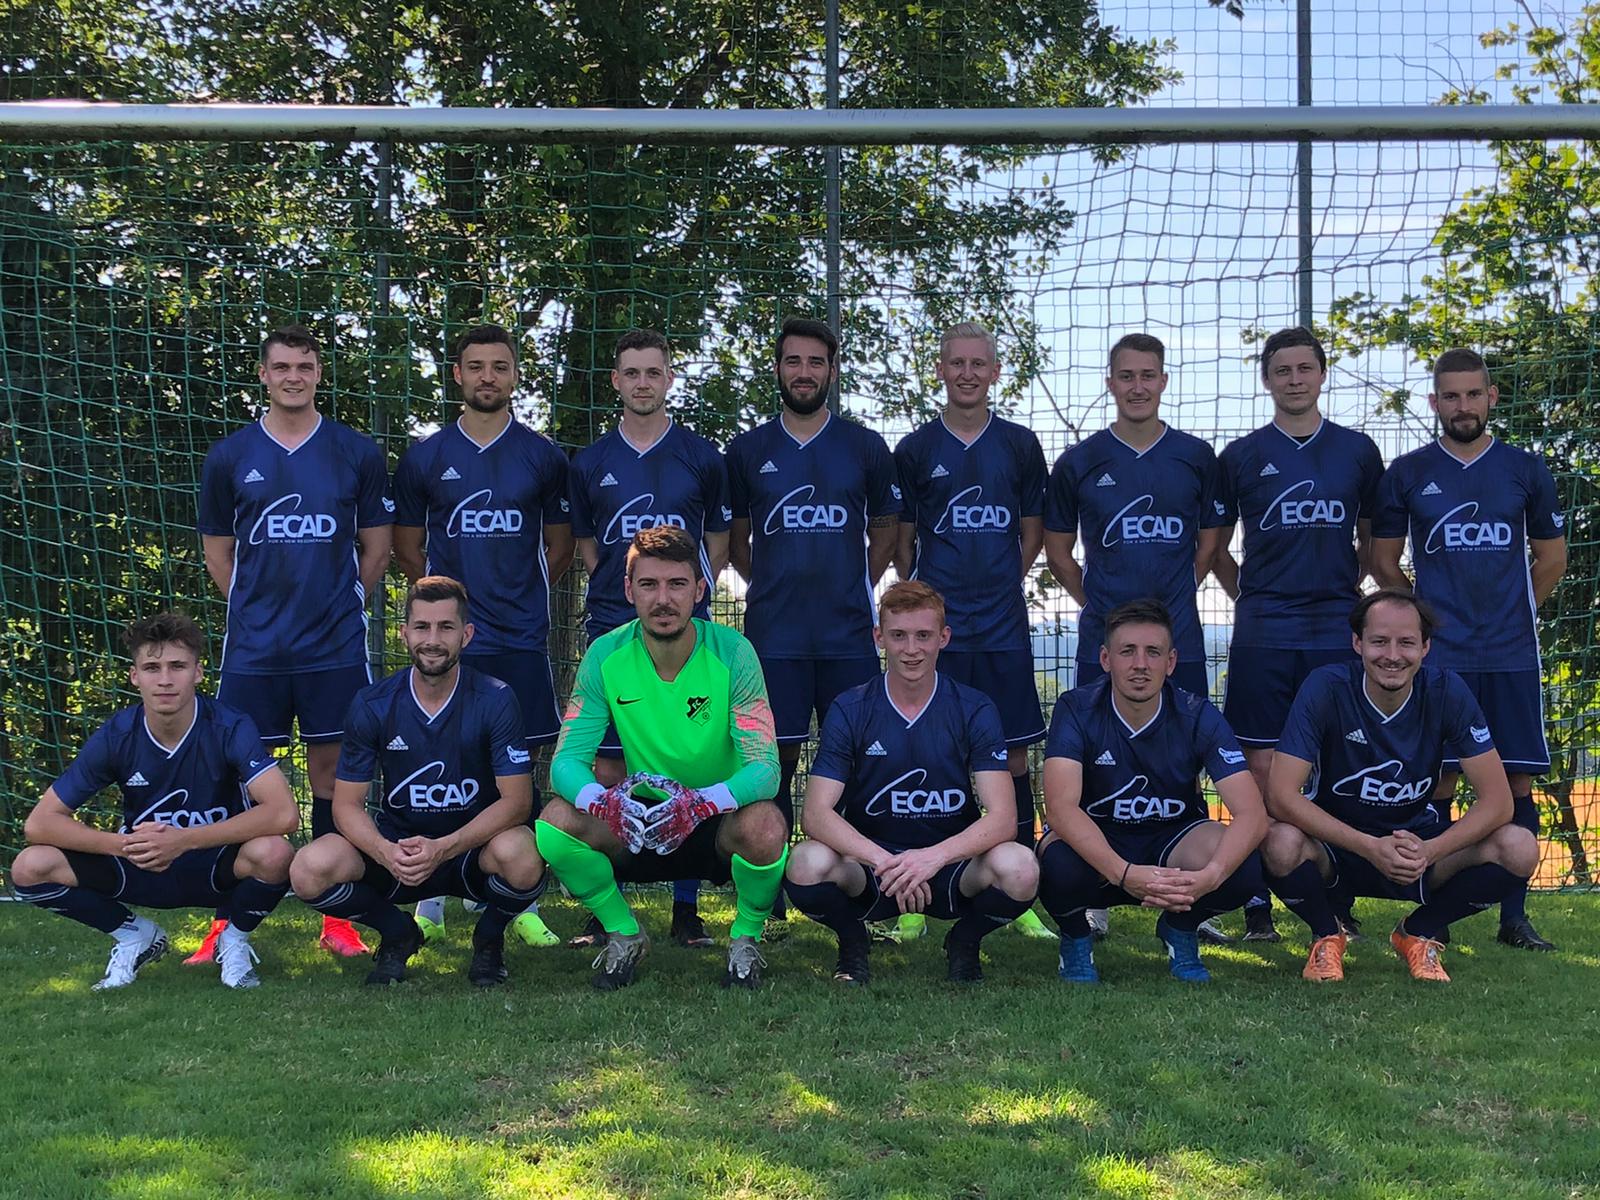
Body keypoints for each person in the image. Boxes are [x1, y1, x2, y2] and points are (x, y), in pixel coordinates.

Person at [192, 324, 394, 963]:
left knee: (337, 775)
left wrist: (340, 602)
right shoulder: (230, 456)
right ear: (263, 374)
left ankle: (338, 916)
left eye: (304, 366)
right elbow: (218, 553)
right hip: (254, 653)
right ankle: (226, 923)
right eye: (281, 367)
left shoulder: (355, 452)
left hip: (335, 649)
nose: (293, 377)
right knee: (238, 781)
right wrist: (255, 609)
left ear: (318, 373)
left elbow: (377, 547)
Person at [1370, 348, 1567, 950]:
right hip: (1443, 660)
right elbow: (1382, 561)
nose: (1462, 406)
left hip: (1510, 655)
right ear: (1435, 402)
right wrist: (1424, 625)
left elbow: (1551, 559)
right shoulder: (1407, 472)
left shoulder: (1525, 469)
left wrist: (1515, 613)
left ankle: (1515, 918)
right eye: (1450, 396)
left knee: (1516, 782)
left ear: (1491, 398)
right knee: (1441, 782)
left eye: (1473, 394)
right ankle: (1436, 915)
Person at [537, 525, 787, 991]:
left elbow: (765, 769)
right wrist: (603, 802)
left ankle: (745, 939)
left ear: (700, 590)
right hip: (639, 819)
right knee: (554, 823)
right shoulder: (605, 654)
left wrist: (703, 802)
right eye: (649, 584)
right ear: (628, 589)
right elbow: (565, 763)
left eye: (677, 584)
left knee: (767, 825)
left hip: (713, 819)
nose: (663, 599)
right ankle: (624, 933)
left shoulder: (735, 653)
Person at [392, 323, 573, 950]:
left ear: (516, 374)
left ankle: (518, 896)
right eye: (476, 366)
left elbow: (559, 548)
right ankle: (432, 895)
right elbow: (407, 549)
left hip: (520, 639)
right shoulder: (425, 457)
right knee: (439, 759)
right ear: (458, 375)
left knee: (521, 769)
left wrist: (520, 596)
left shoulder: (544, 457)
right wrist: (447, 615)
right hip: (452, 643)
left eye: (500, 366)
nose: (488, 377)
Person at [1043, 333, 1230, 939]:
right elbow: (1058, 552)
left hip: (1180, 641)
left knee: (1183, 761)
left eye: (1148, 375)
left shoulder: (1195, 457)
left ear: (1164, 381)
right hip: (1104, 644)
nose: (1138, 386)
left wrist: (1170, 606)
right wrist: (1099, 608)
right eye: (1126, 376)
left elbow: (1210, 544)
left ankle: (1184, 896)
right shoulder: (1080, 461)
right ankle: (1097, 890)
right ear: (1110, 382)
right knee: (1095, 763)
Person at [1261, 590, 1538, 982]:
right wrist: (1369, 847)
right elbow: (1280, 795)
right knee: (1277, 842)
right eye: (1379, 641)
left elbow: (1498, 803)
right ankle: (1327, 935)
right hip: (1338, 846)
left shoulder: (1447, 691)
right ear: (1357, 643)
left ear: (1425, 647)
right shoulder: (1326, 687)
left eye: (1406, 642)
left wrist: (1429, 850)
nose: (1392, 655)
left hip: (1414, 846)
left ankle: (1418, 932)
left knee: (1519, 847)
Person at [11, 612, 298, 990]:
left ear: (198, 672)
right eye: (151, 667)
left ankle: (233, 939)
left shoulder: (229, 726)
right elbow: (40, 823)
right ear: (135, 676)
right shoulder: (117, 735)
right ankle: (134, 936)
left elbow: (283, 813)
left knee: (275, 853)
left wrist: (183, 840)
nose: (164, 679)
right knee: (30, 866)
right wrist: (125, 845)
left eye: (177, 666)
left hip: (214, 866)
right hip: (142, 864)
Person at [725, 316, 901, 930]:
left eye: (816, 362)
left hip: (848, 637)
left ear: (831, 370)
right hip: (773, 640)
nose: (804, 373)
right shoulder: (748, 451)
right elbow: (736, 542)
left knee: (863, 762)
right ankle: (766, 899)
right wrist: (772, 584)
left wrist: (856, 583)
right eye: (793, 361)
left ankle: (868, 889)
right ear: (777, 368)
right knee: (770, 768)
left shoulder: (865, 447)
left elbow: (886, 533)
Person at [1211, 326, 1385, 943]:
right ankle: (1257, 901)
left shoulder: (1357, 451)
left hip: (1335, 628)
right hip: (1263, 630)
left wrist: (1341, 587)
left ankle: (1335, 899)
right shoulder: (1240, 456)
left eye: (1304, 368)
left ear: (1321, 374)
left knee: (1338, 759)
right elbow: (1216, 549)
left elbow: (1372, 540)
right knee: (1258, 767)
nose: (1294, 379)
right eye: (1281, 370)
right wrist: (1253, 595)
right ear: (1266, 379)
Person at [289, 577, 547, 987]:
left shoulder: (496, 698)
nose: (433, 640)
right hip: (400, 850)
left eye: (446, 627)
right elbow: (345, 805)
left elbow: (517, 801)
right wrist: (385, 851)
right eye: (422, 627)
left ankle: (488, 939)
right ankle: (397, 932)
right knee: (309, 868)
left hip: (470, 850)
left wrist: (444, 847)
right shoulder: (373, 703)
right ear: (404, 633)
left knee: (524, 854)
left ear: (466, 635)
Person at [785, 581, 1040, 985]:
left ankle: (965, 941)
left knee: (1021, 867)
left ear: (944, 637)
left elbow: (1004, 819)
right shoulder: (851, 707)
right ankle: (852, 941)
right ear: (879, 637)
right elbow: (815, 815)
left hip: (950, 868)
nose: (911, 649)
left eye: (923, 635)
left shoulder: (974, 708)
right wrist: (884, 861)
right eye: (899, 635)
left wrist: (931, 859)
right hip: (874, 870)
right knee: (805, 863)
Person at [890, 322, 1053, 942]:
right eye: (955, 363)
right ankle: (915, 894)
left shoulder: (1019, 444)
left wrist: (999, 585)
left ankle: (1019, 887)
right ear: (939, 369)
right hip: (941, 633)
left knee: (1011, 756)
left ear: (994, 372)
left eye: (977, 364)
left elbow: (1032, 532)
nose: (966, 373)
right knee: (929, 755)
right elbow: (905, 541)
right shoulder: (915, 449)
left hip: (1002, 627)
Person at [568, 328, 730, 949]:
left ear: (668, 379)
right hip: (613, 628)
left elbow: (716, 544)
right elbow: (590, 548)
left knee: (683, 761)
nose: (642, 383)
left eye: (653, 372)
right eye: (631, 373)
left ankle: (686, 907)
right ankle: (606, 905)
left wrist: (684, 596)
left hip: (684, 636)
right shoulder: (589, 462)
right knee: (609, 765)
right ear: (616, 381)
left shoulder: (702, 457)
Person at [1037, 599, 1267, 984]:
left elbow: (1252, 814)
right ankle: (1075, 938)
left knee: (1244, 866)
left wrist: (1211, 877)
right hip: (1100, 839)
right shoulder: (1076, 708)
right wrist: (1123, 873)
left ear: (1171, 662)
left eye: (1153, 652)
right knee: (1056, 862)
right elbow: (1060, 809)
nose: (1140, 664)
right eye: (1127, 651)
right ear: (1106, 659)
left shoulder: (1197, 714)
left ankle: (1180, 927)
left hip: (1173, 839)